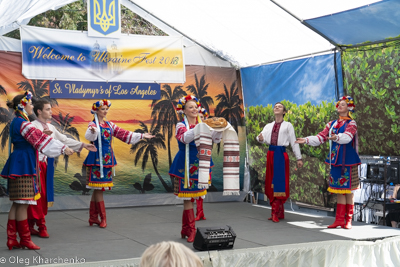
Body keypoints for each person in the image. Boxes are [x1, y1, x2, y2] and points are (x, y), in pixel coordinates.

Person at [1, 92, 74, 250]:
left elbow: (38, 138)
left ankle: (12, 238)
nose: (32, 106)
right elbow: (40, 141)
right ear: (23, 105)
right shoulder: (23, 123)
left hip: (19, 163)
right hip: (24, 165)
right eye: (30, 104)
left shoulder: (18, 121)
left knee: (17, 203)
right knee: (23, 203)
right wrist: (63, 148)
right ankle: (25, 239)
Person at [27, 100, 97, 238]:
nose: (51, 112)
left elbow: (64, 140)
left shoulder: (51, 127)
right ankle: (40, 226)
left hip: (46, 164)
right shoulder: (32, 126)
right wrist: (44, 137)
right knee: (37, 197)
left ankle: (31, 226)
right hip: (35, 165)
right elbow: (31, 145)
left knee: (44, 196)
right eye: (47, 109)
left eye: (50, 109)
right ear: (39, 111)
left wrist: (83, 145)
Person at [83, 99, 154, 228]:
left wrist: (142, 136)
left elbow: (123, 134)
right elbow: (89, 137)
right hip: (97, 159)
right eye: (102, 109)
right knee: (99, 189)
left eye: (106, 109)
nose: (105, 111)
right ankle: (103, 218)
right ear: (96, 110)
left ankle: (93, 217)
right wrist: (93, 131)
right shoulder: (93, 124)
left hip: (108, 159)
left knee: (99, 189)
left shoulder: (110, 125)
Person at [296, 96, 361, 229]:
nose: (339, 106)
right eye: (339, 104)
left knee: (348, 191)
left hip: (348, 161)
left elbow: (347, 138)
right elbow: (321, 137)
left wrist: (336, 137)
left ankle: (348, 220)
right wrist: (307, 140)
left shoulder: (351, 124)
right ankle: (338, 220)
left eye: (342, 104)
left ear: (349, 107)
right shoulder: (331, 124)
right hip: (335, 161)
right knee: (339, 190)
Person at [169, 95, 222, 242]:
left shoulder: (204, 124)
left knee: (195, 196)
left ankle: (185, 228)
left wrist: (220, 129)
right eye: (190, 107)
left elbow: (216, 140)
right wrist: (201, 126)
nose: (194, 109)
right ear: (184, 111)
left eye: (195, 107)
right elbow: (184, 138)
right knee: (188, 198)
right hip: (185, 166)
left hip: (201, 164)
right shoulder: (181, 125)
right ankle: (191, 230)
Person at [256, 102, 303, 222]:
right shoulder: (268, 126)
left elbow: (293, 142)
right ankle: (280, 212)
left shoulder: (288, 126)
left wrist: (299, 158)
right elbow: (261, 136)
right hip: (271, 154)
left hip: (281, 155)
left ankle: (274, 212)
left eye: (280, 107)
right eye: (275, 106)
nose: (277, 107)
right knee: (270, 181)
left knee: (278, 182)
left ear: (284, 112)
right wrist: (260, 139)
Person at [193, 107, 210, 221]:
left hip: (205, 160)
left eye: (202, 117)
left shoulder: (208, 130)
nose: (200, 119)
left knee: (202, 186)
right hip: (193, 160)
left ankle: (200, 212)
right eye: (198, 117)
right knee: (193, 185)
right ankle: (198, 212)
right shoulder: (191, 130)